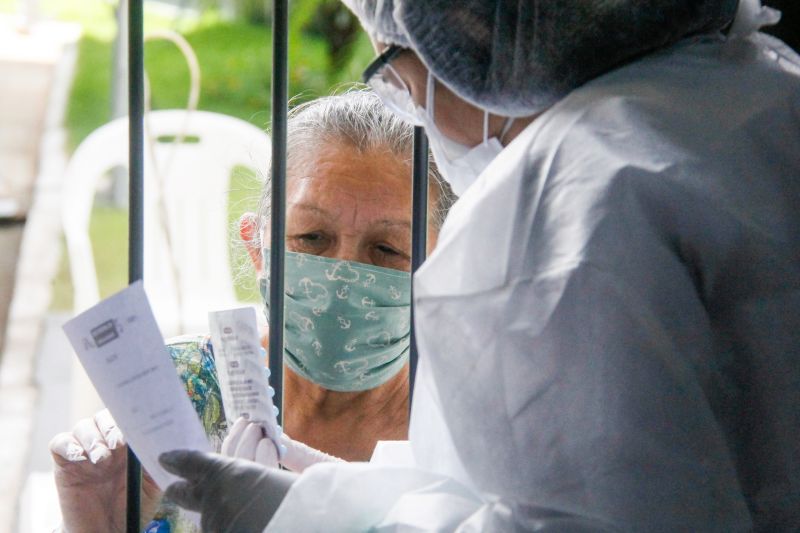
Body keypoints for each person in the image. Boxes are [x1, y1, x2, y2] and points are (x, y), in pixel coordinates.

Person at [159, 0, 800, 531]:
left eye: (397, 67)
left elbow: (568, 520)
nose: (408, 101)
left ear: (476, 41)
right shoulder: (751, 92)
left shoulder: (562, 206)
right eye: (311, 238)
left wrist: (308, 519)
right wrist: (331, 495)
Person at [48, 89, 454, 533]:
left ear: (444, 269)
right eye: (312, 237)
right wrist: (93, 524)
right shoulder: (176, 397)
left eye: (386, 249)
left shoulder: (464, 432)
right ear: (255, 246)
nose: (342, 273)